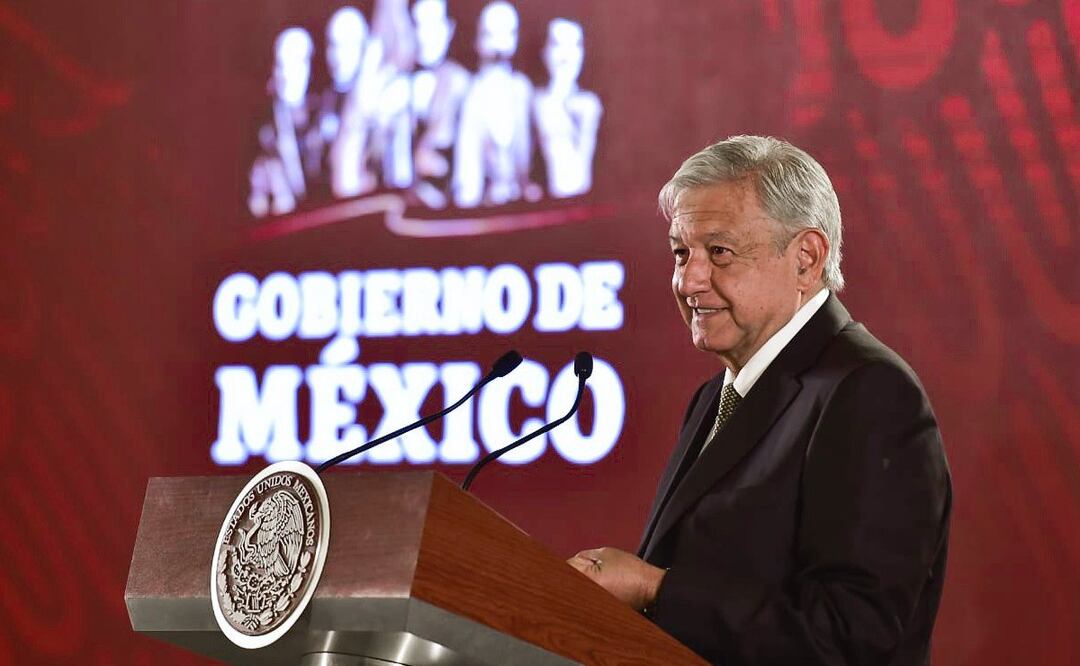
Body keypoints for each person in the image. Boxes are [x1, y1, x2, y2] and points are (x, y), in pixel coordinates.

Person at [569, 136, 951, 665]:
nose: (688, 280)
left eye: (719, 252)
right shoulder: (716, 396)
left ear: (806, 259)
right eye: (681, 253)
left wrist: (657, 590)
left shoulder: (869, 393)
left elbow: (852, 634)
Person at [452, 1, 537, 208]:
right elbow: (467, 164)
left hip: (520, 200)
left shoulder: (522, 90)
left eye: (507, 34)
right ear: (477, 40)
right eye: (490, 34)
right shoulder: (473, 94)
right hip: (486, 205)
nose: (499, 46)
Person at [248, 27, 319, 217]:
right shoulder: (265, 128)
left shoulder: (324, 115)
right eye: (281, 65)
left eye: (296, 63)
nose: (287, 74)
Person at [533, 18, 602, 198]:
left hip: (582, 202)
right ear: (544, 51)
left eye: (575, 45)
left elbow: (580, 176)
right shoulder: (536, 102)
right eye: (557, 45)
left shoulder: (589, 105)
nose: (566, 56)